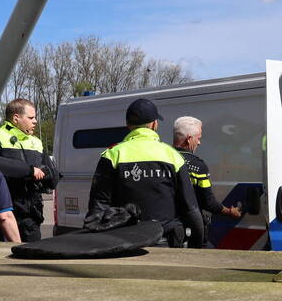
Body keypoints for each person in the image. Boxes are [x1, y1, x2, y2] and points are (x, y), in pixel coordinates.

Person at [86, 98, 204, 248]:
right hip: (164, 244)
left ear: (128, 125)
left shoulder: (112, 155)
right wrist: (197, 247)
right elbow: (191, 210)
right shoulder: (173, 156)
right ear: (155, 124)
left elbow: (98, 208)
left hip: (122, 245)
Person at [0, 98, 58, 242]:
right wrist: (28, 170)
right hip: (6, 210)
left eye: (35, 117)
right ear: (16, 118)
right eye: (31, 117)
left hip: (31, 214)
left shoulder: (35, 141)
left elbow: (51, 173)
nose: (35, 121)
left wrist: (48, 175)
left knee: (32, 258)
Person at [172, 116, 242, 246]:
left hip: (168, 228)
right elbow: (208, 202)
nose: (199, 142)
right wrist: (230, 212)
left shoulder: (163, 159)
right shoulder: (198, 166)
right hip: (192, 230)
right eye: (198, 138)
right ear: (189, 139)